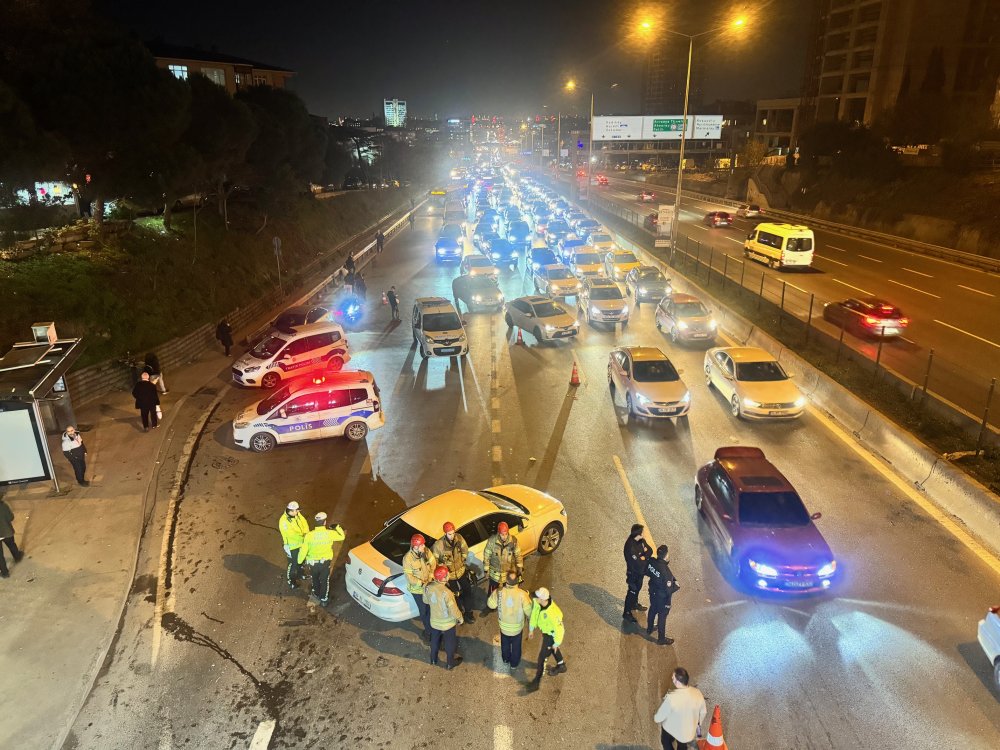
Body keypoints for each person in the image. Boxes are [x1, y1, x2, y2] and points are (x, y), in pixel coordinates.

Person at [297, 512, 345, 606]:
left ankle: (316, 593)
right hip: (324, 563)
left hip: (313, 564)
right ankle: (324, 599)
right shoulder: (329, 533)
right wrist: (337, 527)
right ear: (325, 522)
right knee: (324, 580)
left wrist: (299, 561)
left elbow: (303, 550)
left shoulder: (309, 536)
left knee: (315, 578)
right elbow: (341, 536)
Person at [653, 667, 707, 750]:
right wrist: (697, 725)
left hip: (670, 729)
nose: (672, 679)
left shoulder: (671, 698)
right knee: (682, 746)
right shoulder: (697, 693)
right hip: (688, 735)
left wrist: (656, 716)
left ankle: (671, 740)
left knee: (665, 742)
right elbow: (703, 712)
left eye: (673, 678)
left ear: (677, 682)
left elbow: (658, 718)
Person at [432, 521, 475, 623]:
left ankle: (469, 613)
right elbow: (436, 561)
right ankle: (459, 614)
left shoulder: (459, 538)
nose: (452, 536)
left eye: (453, 533)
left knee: (467, 591)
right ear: (445, 533)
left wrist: (462, 560)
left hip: (461, 571)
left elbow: (465, 550)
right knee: (455, 596)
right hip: (449, 576)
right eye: (449, 534)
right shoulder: (439, 545)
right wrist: (444, 568)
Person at [488, 571, 532, 668]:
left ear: (506, 580)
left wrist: (494, 593)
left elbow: (490, 605)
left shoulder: (499, 592)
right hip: (517, 629)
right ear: (518, 581)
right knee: (516, 647)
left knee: (505, 645)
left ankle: (505, 659)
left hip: (504, 627)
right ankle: (514, 664)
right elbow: (529, 612)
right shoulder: (523, 594)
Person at [423, 564, 464, 669]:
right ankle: (450, 663)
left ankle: (433, 659)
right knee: (449, 642)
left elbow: (425, 601)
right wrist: (460, 618)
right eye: (447, 574)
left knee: (435, 640)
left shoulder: (428, 587)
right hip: (447, 623)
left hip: (434, 621)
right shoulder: (447, 592)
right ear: (444, 578)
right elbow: (453, 610)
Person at [527, 587, 565, 690]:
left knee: (542, 658)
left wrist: (556, 643)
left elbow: (560, 629)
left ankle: (537, 681)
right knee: (553, 649)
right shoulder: (538, 602)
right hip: (546, 633)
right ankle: (561, 666)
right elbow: (534, 614)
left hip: (551, 636)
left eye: (537, 597)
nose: (535, 598)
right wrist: (531, 629)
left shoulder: (553, 613)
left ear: (543, 599)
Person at [402, 533, 437, 639]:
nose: (424, 547)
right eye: (422, 545)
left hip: (429, 585)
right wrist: (421, 583)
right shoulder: (408, 559)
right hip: (418, 591)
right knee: (424, 611)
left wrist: (431, 576)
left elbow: (433, 564)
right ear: (415, 547)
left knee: (432, 609)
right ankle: (429, 632)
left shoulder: (426, 551)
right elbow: (409, 577)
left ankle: (434, 628)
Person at [482, 521, 523, 611]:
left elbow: (518, 555)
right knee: (493, 591)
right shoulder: (492, 541)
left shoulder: (514, 541)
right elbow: (486, 556)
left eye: (505, 534)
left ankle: (506, 606)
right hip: (495, 573)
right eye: (502, 534)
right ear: (498, 533)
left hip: (508, 573)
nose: (504, 537)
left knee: (508, 591)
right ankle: (491, 606)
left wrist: (519, 569)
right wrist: (486, 570)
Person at [645, 544, 678, 645]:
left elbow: (647, 571)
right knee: (662, 616)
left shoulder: (651, 562)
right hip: (662, 597)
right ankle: (661, 639)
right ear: (666, 555)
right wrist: (676, 586)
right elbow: (668, 590)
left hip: (653, 592)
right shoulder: (666, 572)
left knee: (652, 609)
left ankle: (649, 628)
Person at [623, 523, 652, 623]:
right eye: (642, 532)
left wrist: (643, 556)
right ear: (638, 534)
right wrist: (643, 557)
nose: (644, 534)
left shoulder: (641, 540)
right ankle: (626, 613)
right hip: (633, 574)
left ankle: (634, 603)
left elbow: (650, 551)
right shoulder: (630, 547)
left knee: (638, 588)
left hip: (640, 573)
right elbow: (638, 563)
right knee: (632, 591)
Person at [278, 501, 310, 590]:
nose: (298, 512)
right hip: (292, 546)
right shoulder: (283, 521)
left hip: (301, 543)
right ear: (291, 511)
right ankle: (291, 581)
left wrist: (306, 533)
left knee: (301, 560)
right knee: (293, 564)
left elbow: (304, 522)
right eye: (296, 511)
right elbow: (291, 534)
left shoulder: (297, 514)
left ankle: (301, 574)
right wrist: (303, 535)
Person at [0, 498, 23, 578]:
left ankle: (5, 573)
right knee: (12, 545)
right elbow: (11, 517)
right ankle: (17, 557)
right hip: (7, 532)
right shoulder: (3, 506)